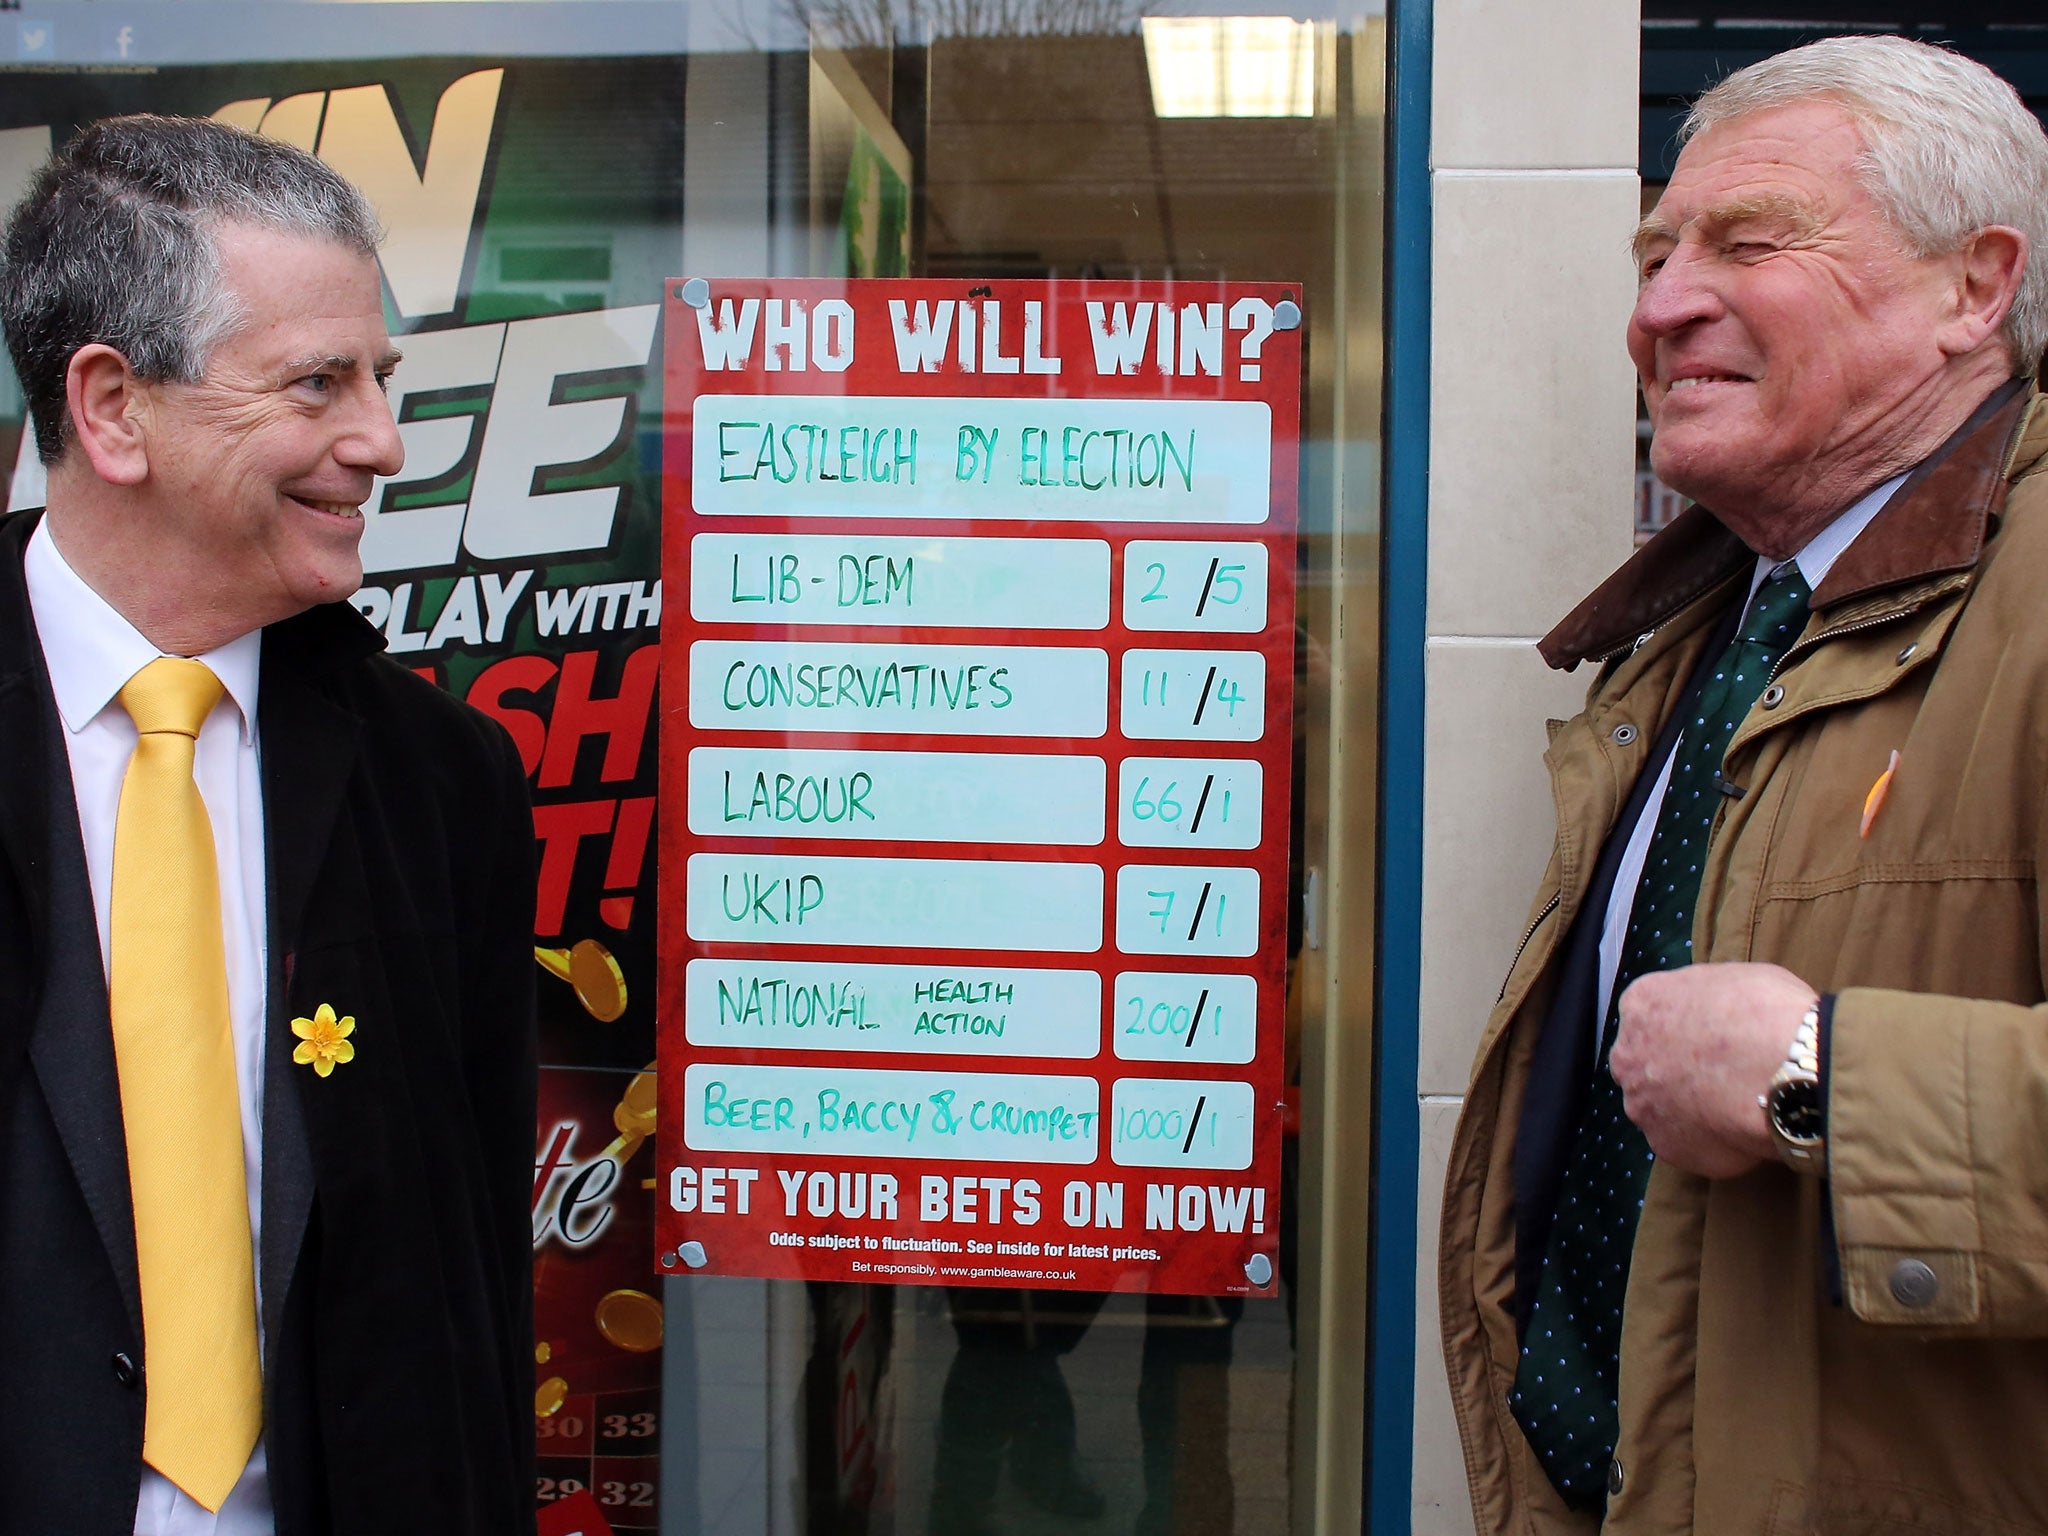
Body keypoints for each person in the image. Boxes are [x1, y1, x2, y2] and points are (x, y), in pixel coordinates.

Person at [1438, 36, 2048, 1536]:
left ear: (1976, 287)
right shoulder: (1714, 621)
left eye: (1749, 243)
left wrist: (1819, 1076)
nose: (1659, 307)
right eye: (1654, 255)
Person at [0, 116, 537, 1534]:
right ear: (114, 408)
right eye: (318, 384)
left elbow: (474, 1280)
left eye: (381, 375)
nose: (382, 440)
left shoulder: (443, 786)